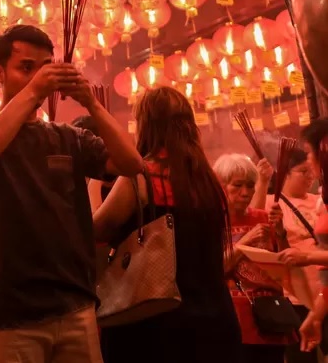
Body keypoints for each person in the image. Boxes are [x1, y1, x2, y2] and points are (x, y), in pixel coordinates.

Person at [0, 25, 144, 363]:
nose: (39, 77)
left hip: (74, 304)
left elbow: (131, 163)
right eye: (26, 68)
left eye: (45, 67)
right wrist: (33, 91)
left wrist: (92, 104)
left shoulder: (69, 138)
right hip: (8, 311)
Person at [93, 87, 242, 363]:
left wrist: (90, 185)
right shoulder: (208, 181)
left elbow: (98, 229)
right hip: (215, 319)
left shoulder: (142, 176)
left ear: (146, 125)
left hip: (154, 320)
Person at [214, 154, 293, 363]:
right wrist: (245, 242)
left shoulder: (262, 217)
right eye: (237, 185)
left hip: (269, 318)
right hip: (232, 319)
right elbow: (213, 272)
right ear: (221, 186)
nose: (246, 193)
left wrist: (281, 233)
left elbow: (286, 264)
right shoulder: (211, 221)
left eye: (250, 186)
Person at [277, 118, 328, 356]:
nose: (309, 161)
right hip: (306, 296)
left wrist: (307, 256)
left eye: (310, 153)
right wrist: (317, 315)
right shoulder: (323, 198)